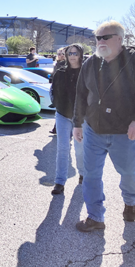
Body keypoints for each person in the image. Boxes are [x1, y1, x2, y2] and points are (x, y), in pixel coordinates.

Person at [73, 20, 135, 232]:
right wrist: (77, 123)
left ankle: (130, 202)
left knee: (129, 172)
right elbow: (81, 94)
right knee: (91, 174)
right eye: (98, 37)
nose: (100, 41)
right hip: (93, 130)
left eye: (105, 37)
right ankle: (95, 217)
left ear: (119, 39)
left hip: (124, 132)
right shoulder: (91, 63)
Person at [49, 43, 85, 195]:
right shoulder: (60, 72)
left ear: (80, 55)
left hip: (82, 117)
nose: (72, 56)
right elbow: (53, 90)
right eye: (69, 53)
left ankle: (83, 174)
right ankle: (59, 182)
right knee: (63, 148)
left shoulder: (86, 72)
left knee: (80, 149)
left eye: (75, 53)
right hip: (63, 114)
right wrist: (57, 105)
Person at [49, 47, 67, 134]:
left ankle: (57, 129)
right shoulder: (57, 63)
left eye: (62, 54)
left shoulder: (65, 64)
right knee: (59, 110)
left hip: (62, 89)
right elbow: (54, 74)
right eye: (59, 54)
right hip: (55, 87)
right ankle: (56, 129)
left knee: (60, 111)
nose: (60, 55)